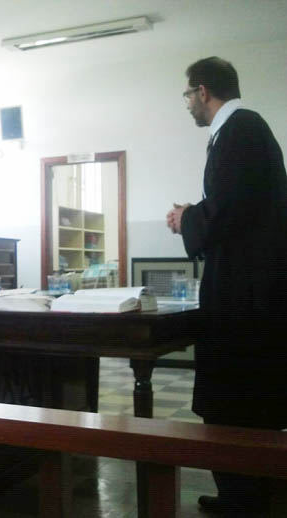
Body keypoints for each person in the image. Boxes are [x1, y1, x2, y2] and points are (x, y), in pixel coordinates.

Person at [166, 56, 287, 515]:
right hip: (248, 286)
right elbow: (233, 204)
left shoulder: (240, 130)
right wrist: (196, 213)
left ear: (202, 91)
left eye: (187, 95)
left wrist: (186, 217)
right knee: (243, 396)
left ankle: (245, 499)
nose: (187, 105)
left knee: (237, 397)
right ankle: (246, 493)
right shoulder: (241, 131)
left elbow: (229, 211)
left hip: (246, 294)